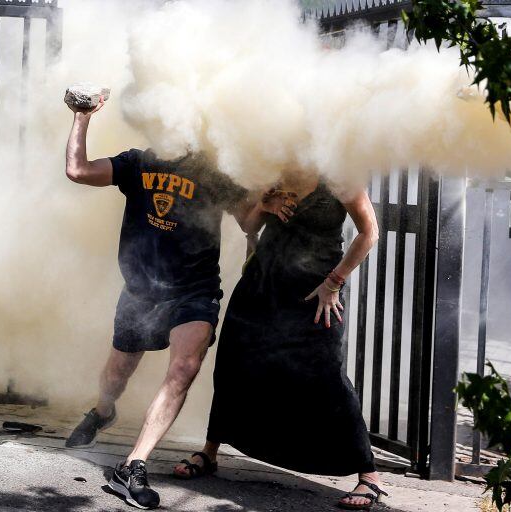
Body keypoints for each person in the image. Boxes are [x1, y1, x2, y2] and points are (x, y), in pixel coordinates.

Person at [63, 95, 253, 510]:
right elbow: (77, 170)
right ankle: (102, 411)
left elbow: (249, 219)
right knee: (117, 374)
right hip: (141, 291)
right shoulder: (137, 163)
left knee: (184, 368)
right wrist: (81, 118)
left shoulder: (213, 172)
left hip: (194, 289)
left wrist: (265, 202)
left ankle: (133, 466)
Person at [174, 171, 388, 511]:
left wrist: (334, 282)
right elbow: (248, 225)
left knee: (325, 374)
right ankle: (211, 451)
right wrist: (264, 204)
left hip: (315, 292)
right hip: (262, 281)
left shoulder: (339, 174)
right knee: (234, 361)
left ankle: (369, 475)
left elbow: (369, 232)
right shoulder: (275, 170)